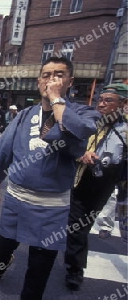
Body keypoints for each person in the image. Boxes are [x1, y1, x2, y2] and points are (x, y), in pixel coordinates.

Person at [0, 56, 100, 300]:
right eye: (46, 75)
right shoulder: (24, 115)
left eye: (59, 75)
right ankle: (3, 262)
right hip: (17, 199)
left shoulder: (83, 112)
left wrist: (57, 101)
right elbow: (5, 149)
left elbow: (78, 131)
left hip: (52, 207)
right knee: (2, 245)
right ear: (38, 82)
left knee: (39, 266)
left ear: (70, 82)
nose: (51, 80)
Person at [64, 83, 127, 291]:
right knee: (77, 226)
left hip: (106, 184)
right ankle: (75, 270)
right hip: (81, 179)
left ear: (123, 104)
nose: (102, 104)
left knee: (83, 225)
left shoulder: (125, 129)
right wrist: (81, 154)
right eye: (100, 99)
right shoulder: (88, 121)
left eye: (108, 101)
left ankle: (73, 260)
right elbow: (68, 144)